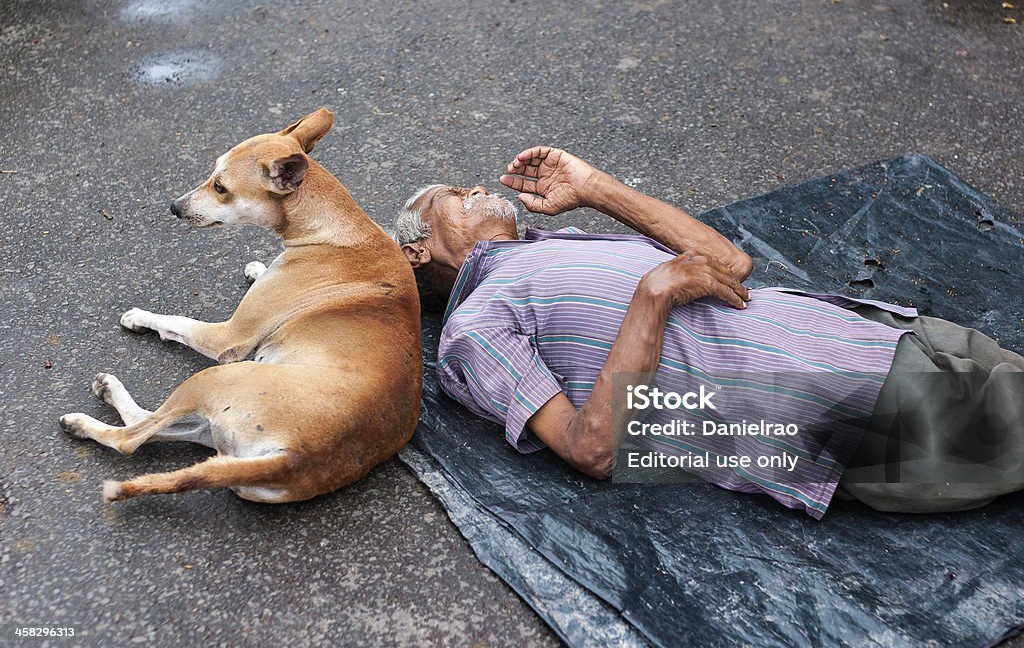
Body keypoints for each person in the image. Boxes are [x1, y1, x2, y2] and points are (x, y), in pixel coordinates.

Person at [391, 147, 1024, 519]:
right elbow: (591, 449)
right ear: (418, 252)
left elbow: (727, 265)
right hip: (830, 397)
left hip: (861, 330)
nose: (474, 185)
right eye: (452, 193)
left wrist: (595, 189)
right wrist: (652, 296)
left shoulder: (553, 243)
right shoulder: (474, 327)